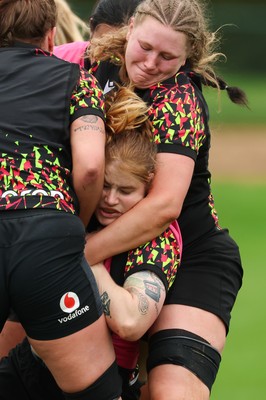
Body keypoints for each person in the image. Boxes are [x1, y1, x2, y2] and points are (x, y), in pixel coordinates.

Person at [83, 0, 248, 398]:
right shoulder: (96, 65)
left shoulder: (180, 99)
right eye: (145, 47)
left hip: (190, 254)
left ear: (187, 56)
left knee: (170, 391)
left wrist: (76, 251)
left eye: (168, 56)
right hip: (113, 248)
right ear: (133, 25)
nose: (152, 63)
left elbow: (163, 207)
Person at [0, 86, 182, 400]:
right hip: (32, 367)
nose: (110, 200)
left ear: (148, 186)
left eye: (125, 191)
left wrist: (79, 253)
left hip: (100, 381)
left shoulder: (158, 236)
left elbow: (130, 321)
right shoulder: (79, 208)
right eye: (105, 186)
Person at [0, 0, 144, 362]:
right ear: (51, 36)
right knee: (93, 385)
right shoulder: (73, 75)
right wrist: (75, 221)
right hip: (46, 232)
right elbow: (91, 168)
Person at [53, 0, 143, 68]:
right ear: (92, 27)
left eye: (122, 51)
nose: (109, 60)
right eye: (104, 49)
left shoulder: (146, 78)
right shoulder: (55, 59)